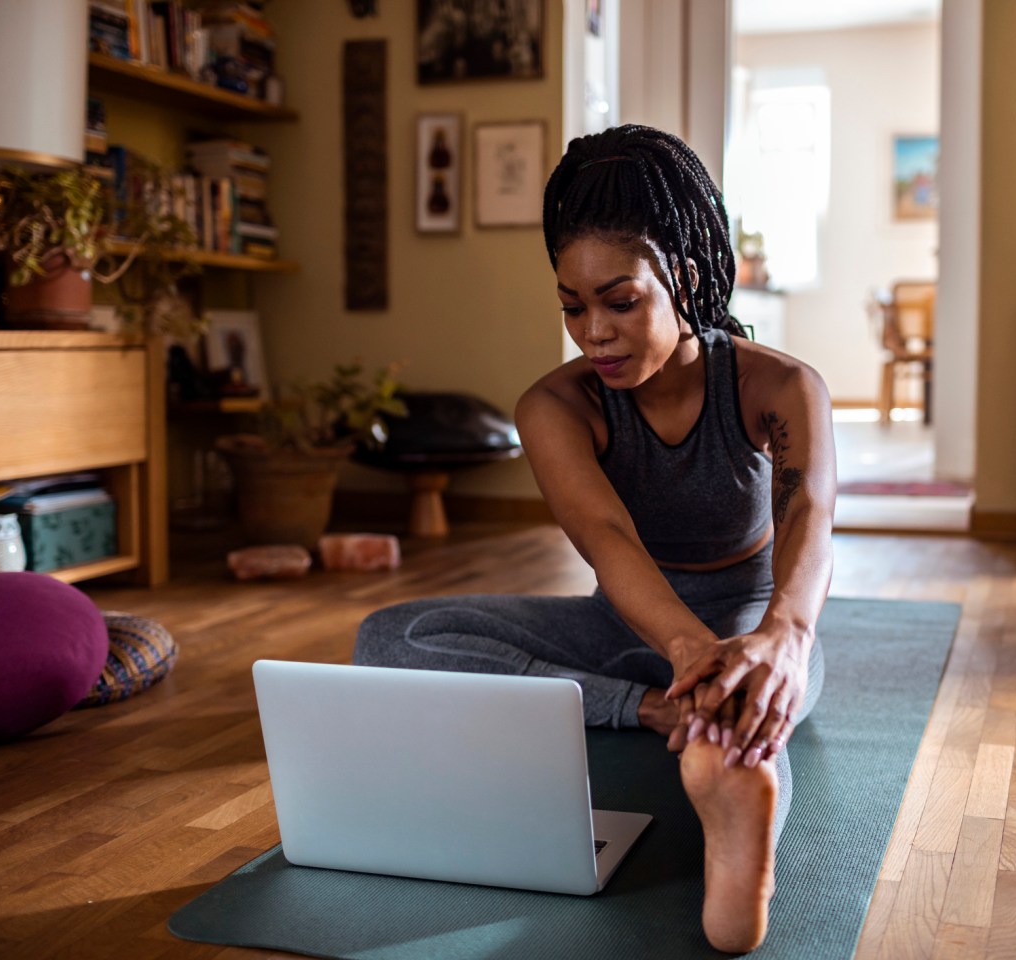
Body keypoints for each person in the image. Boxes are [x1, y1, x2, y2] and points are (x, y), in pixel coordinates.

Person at [353, 124, 836, 953]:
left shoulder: (778, 385)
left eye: (620, 302)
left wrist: (781, 643)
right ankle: (653, 712)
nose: (594, 332)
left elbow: (807, 515)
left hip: (747, 622)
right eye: (572, 307)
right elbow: (607, 540)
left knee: (746, 710)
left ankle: (736, 802)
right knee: (390, 636)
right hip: (625, 624)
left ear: (681, 278)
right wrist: (683, 656)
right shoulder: (556, 406)